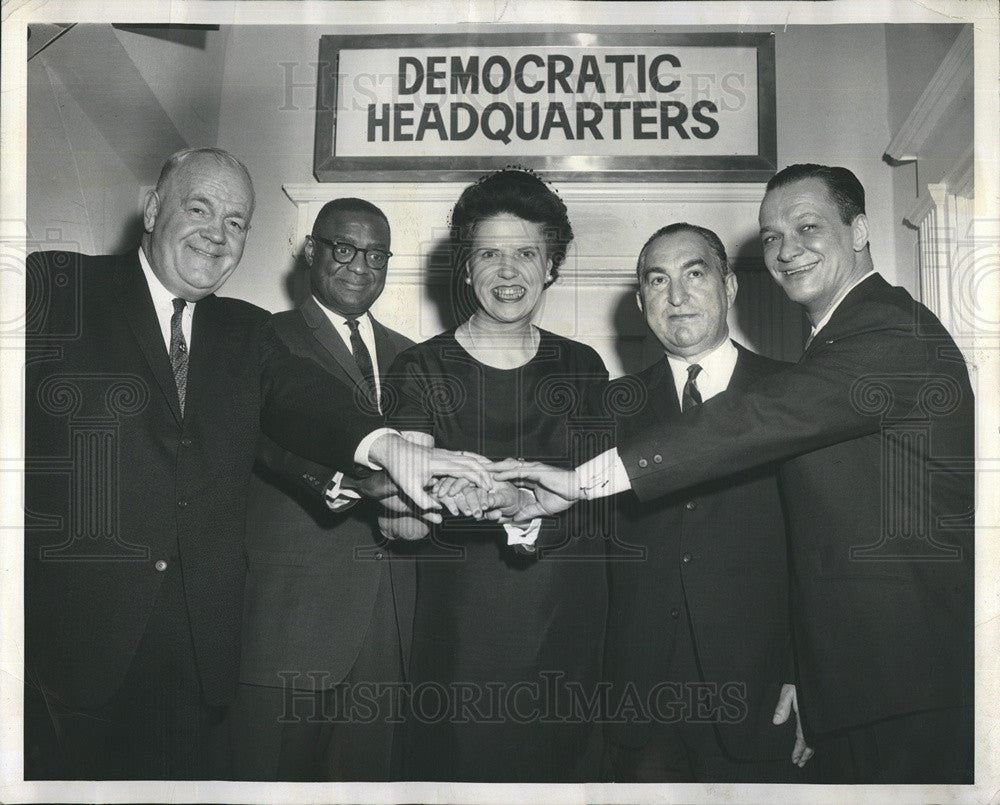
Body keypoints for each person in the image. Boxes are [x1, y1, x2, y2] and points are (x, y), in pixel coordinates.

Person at [493, 164, 974, 784]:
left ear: (858, 231)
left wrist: (804, 674)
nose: (786, 249)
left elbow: (752, 424)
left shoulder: (881, 333)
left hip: (881, 685)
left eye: (807, 227)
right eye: (771, 237)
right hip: (661, 703)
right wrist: (523, 507)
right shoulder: (826, 350)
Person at [23, 147, 489, 779]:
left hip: (202, 653)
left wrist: (385, 445)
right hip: (76, 651)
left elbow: (299, 398)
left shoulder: (243, 330)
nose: (218, 234)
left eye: (237, 222)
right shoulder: (56, 288)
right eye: (200, 209)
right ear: (154, 210)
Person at [385, 169, 610, 782]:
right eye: (489, 253)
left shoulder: (583, 366)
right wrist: (435, 496)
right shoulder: (421, 366)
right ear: (464, 266)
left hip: (566, 618)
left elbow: (599, 501)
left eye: (526, 254)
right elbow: (404, 509)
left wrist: (523, 503)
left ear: (550, 267)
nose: (507, 272)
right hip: (461, 629)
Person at [603, 222, 808, 783]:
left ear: (730, 287)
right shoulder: (608, 407)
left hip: (763, 695)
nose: (677, 296)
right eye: (658, 280)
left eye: (694, 274)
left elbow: (824, 551)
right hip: (637, 702)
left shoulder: (794, 392)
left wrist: (807, 674)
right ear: (641, 299)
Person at [229, 198, 416, 781]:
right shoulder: (262, 337)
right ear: (311, 250)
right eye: (344, 248)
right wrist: (351, 484)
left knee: (369, 783)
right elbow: (255, 437)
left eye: (377, 254)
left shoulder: (411, 355)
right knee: (270, 784)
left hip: (387, 623)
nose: (361, 265)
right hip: (290, 617)